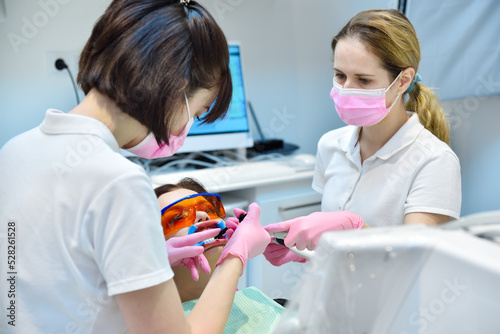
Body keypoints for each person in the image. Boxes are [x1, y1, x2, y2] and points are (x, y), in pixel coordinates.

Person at [0, 1, 270, 333]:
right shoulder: (118, 181)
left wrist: (147, 265)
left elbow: (40, 288)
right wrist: (236, 256)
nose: (186, 128)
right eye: (197, 113)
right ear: (174, 90)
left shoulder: (14, 151)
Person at [263, 9, 461, 266]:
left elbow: (414, 264)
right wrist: (303, 249)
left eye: (364, 80)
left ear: (403, 81)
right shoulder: (330, 145)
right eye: (340, 75)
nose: (345, 91)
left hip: (391, 305)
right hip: (331, 296)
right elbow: (333, 248)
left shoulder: (435, 161)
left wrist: (356, 228)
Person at [155, 178, 285, 333]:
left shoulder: (264, 302)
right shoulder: (150, 324)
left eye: (209, 209)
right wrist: (235, 255)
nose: (203, 215)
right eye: (178, 217)